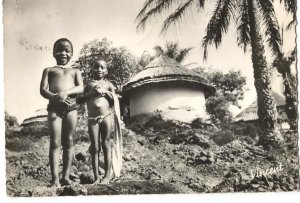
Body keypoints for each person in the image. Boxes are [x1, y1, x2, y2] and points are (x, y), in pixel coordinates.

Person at [40, 38, 84, 187]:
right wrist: (55, 97)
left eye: (67, 50)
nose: (63, 53)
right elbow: (43, 90)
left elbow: (80, 88)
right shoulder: (49, 70)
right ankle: (55, 180)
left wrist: (66, 92)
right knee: (55, 142)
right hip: (54, 109)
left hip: (71, 108)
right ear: (53, 52)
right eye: (59, 49)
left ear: (71, 53)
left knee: (69, 141)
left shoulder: (75, 71)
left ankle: (65, 177)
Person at [77, 59, 122, 184]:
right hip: (92, 119)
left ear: (106, 71)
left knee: (106, 144)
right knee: (95, 147)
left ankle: (107, 176)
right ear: (91, 70)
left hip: (106, 117)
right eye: (96, 67)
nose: (99, 70)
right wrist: (92, 93)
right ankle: (96, 177)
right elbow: (79, 100)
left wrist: (105, 93)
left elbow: (115, 101)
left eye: (102, 67)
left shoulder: (109, 85)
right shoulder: (89, 85)